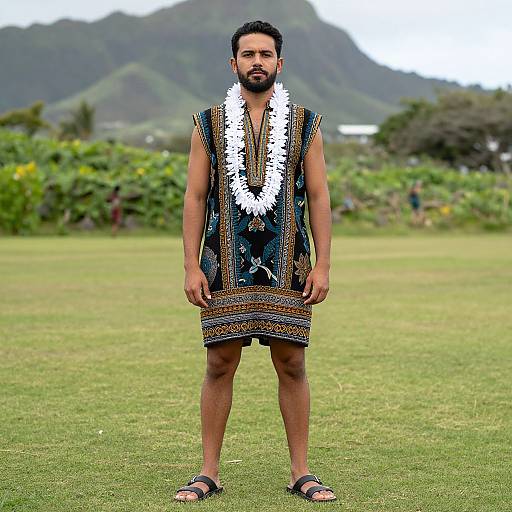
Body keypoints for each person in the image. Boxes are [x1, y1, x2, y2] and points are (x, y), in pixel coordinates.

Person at [177, 20, 335, 503]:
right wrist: (190, 265)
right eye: (248, 55)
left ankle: (301, 473)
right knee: (219, 363)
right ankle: (208, 472)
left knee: (291, 363)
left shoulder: (305, 122)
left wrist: (323, 264)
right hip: (223, 261)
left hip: (290, 261)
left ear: (279, 63)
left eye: (266, 54)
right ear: (234, 64)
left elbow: (319, 195)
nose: (258, 62)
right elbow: (195, 196)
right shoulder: (207, 122)